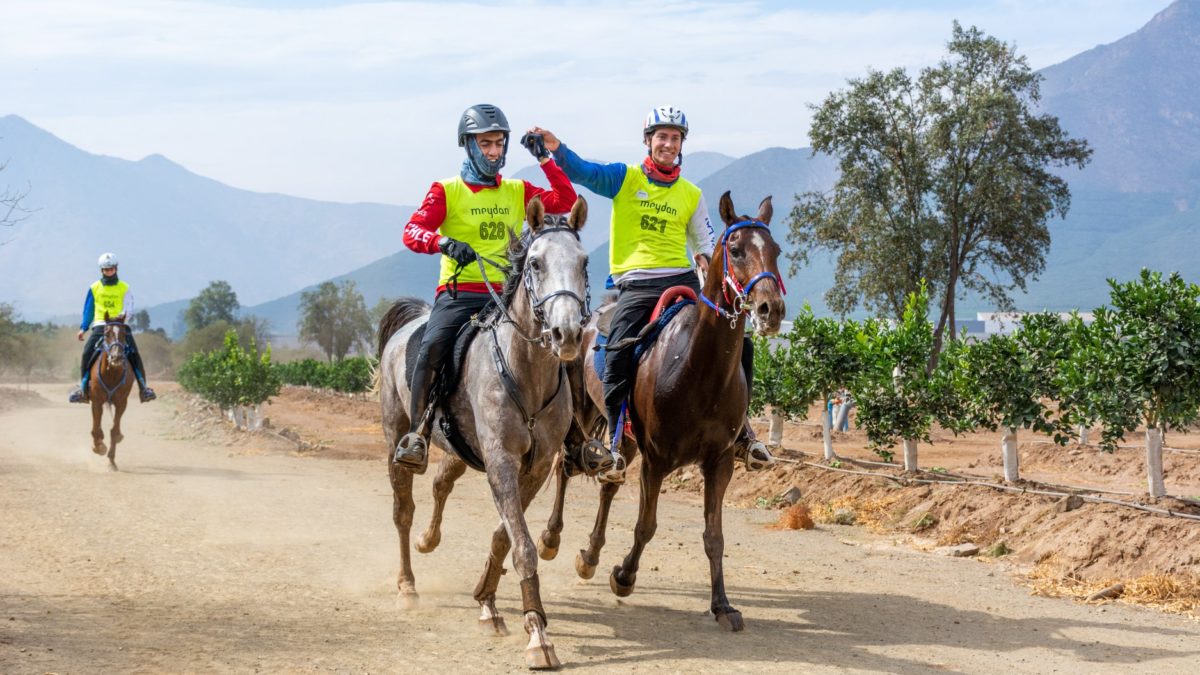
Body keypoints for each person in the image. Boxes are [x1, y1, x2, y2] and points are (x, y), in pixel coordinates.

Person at [527, 106, 774, 472]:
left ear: (681, 145)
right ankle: (613, 440)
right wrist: (556, 149)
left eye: (675, 138)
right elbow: (584, 172)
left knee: (739, 344)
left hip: (684, 281)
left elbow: (703, 237)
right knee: (617, 350)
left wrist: (705, 258)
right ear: (648, 141)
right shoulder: (624, 179)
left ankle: (743, 435)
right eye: (662, 137)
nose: (668, 144)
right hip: (637, 283)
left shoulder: (690, 194)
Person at [392, 103, 577, 473]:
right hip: (460, 294)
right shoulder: (447, 190)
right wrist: (443, 243)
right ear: (469, 146)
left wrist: (545, 160)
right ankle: (417, 432)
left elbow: (566, 200)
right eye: (486, 144)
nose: (494, 152)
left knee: (562, 346)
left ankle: (577, 438)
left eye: (499, 144)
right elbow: (411, 231)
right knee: (432, 345)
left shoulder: (517, 190)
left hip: (508, 297)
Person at [69, 252, 157, 403]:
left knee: (134, 354)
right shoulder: (94, 287)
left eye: (111, 269)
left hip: (120, 324)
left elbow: (129, 307)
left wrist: (121, 319)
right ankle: (82, 389)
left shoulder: (124, 287)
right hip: (101, 325)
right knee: (86, 353)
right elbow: (89, 309)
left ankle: (144, 389)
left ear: (116, 269)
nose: (109, 271)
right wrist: (83, 327)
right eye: (106, 269)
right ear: (101, 270)